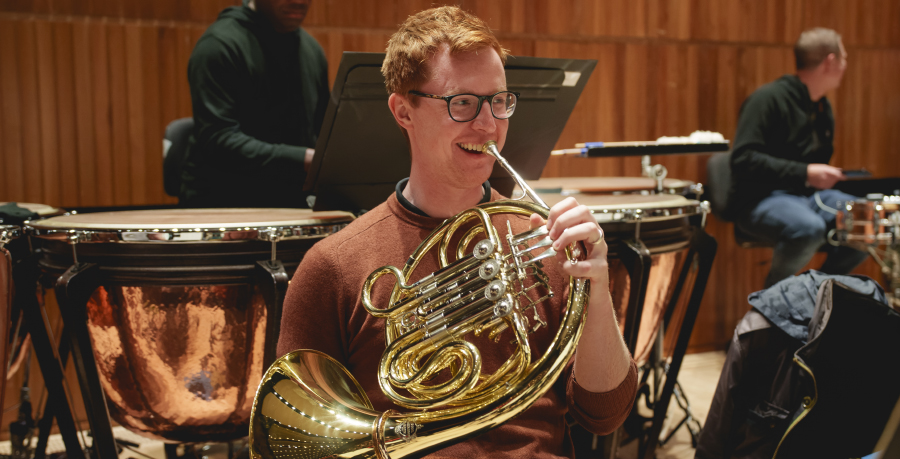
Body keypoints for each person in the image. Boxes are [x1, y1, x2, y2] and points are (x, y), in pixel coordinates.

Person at [276, 6, 637, 458]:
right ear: (403, 111)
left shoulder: (545, 240)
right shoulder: (334, 267)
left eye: (499, 100)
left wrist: (597, 286)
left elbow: (605, 414)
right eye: (462, 102)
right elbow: (296, 439)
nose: (488, 125)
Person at [731, 27, 868, 288]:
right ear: (830, 61)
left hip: (808, 197)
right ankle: (772, 299)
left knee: (863, 221)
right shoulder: (767, 99)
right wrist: (805, 172)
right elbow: (743, 159)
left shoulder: (822, 107)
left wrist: (820, 175)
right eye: (844, 58)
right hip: (762, 198)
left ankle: (821, 292)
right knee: (807, 227)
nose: (845, 65)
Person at [179, 0, 328, 208]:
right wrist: (303, 158)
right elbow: (218, 140)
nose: (299, 1)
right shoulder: (218, 46)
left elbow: (323, 131)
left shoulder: (312, 51)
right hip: (225, 204)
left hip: (292, 201)